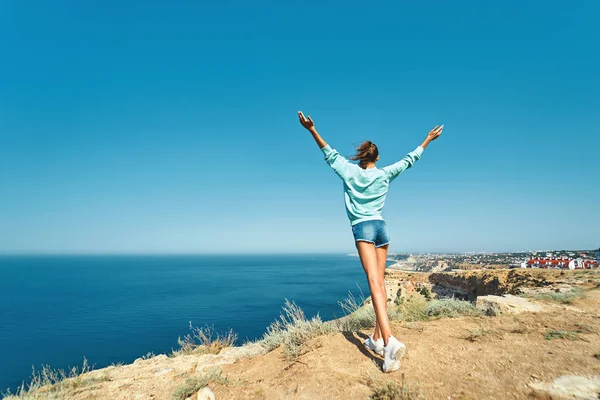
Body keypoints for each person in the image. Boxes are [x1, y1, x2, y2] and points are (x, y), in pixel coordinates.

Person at [298, 111, 443, 373]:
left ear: (362, 157)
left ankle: (389, 342)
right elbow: (409, 161)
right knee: (382, 282)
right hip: (381, 228)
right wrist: (427, 140)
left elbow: (329, 153)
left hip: (363, 227)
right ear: (377, 158)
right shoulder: (385, 174)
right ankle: (376, 338)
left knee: (374, 282)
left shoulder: (350, 172)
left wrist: (311, 129)